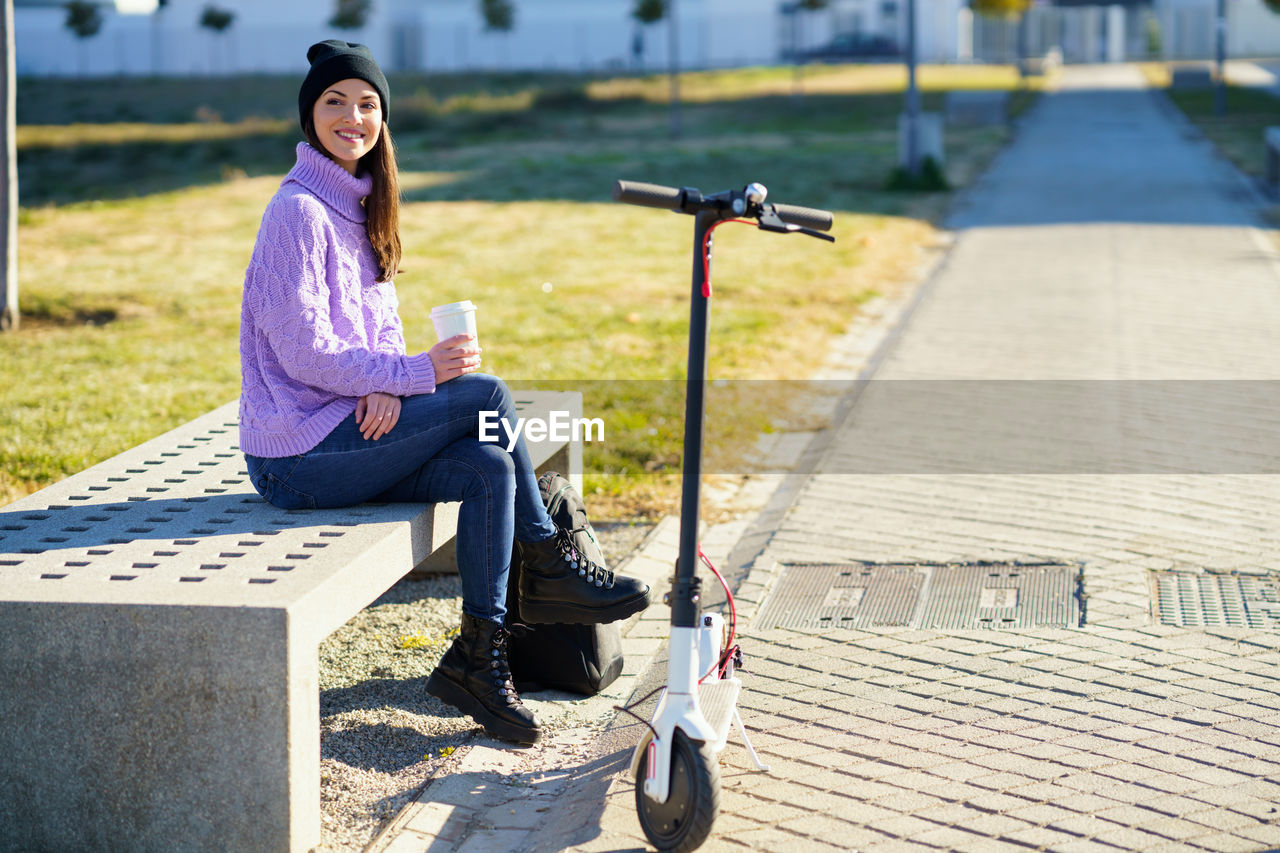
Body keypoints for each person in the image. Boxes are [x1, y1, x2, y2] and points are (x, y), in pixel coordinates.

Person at [238, 41, 650, 746]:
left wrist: (390, 383)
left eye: (367, 104)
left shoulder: (362, 209)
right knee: (484, 393)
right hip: (298, 455)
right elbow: (301, 351)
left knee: (490, 469)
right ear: (310, 115)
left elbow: (378, 333)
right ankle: (549, 566)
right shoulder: (297, 213)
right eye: (335, 101)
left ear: (382, 120)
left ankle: (478, 660)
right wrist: (410, 375)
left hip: (350, 432)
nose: (353, 117)